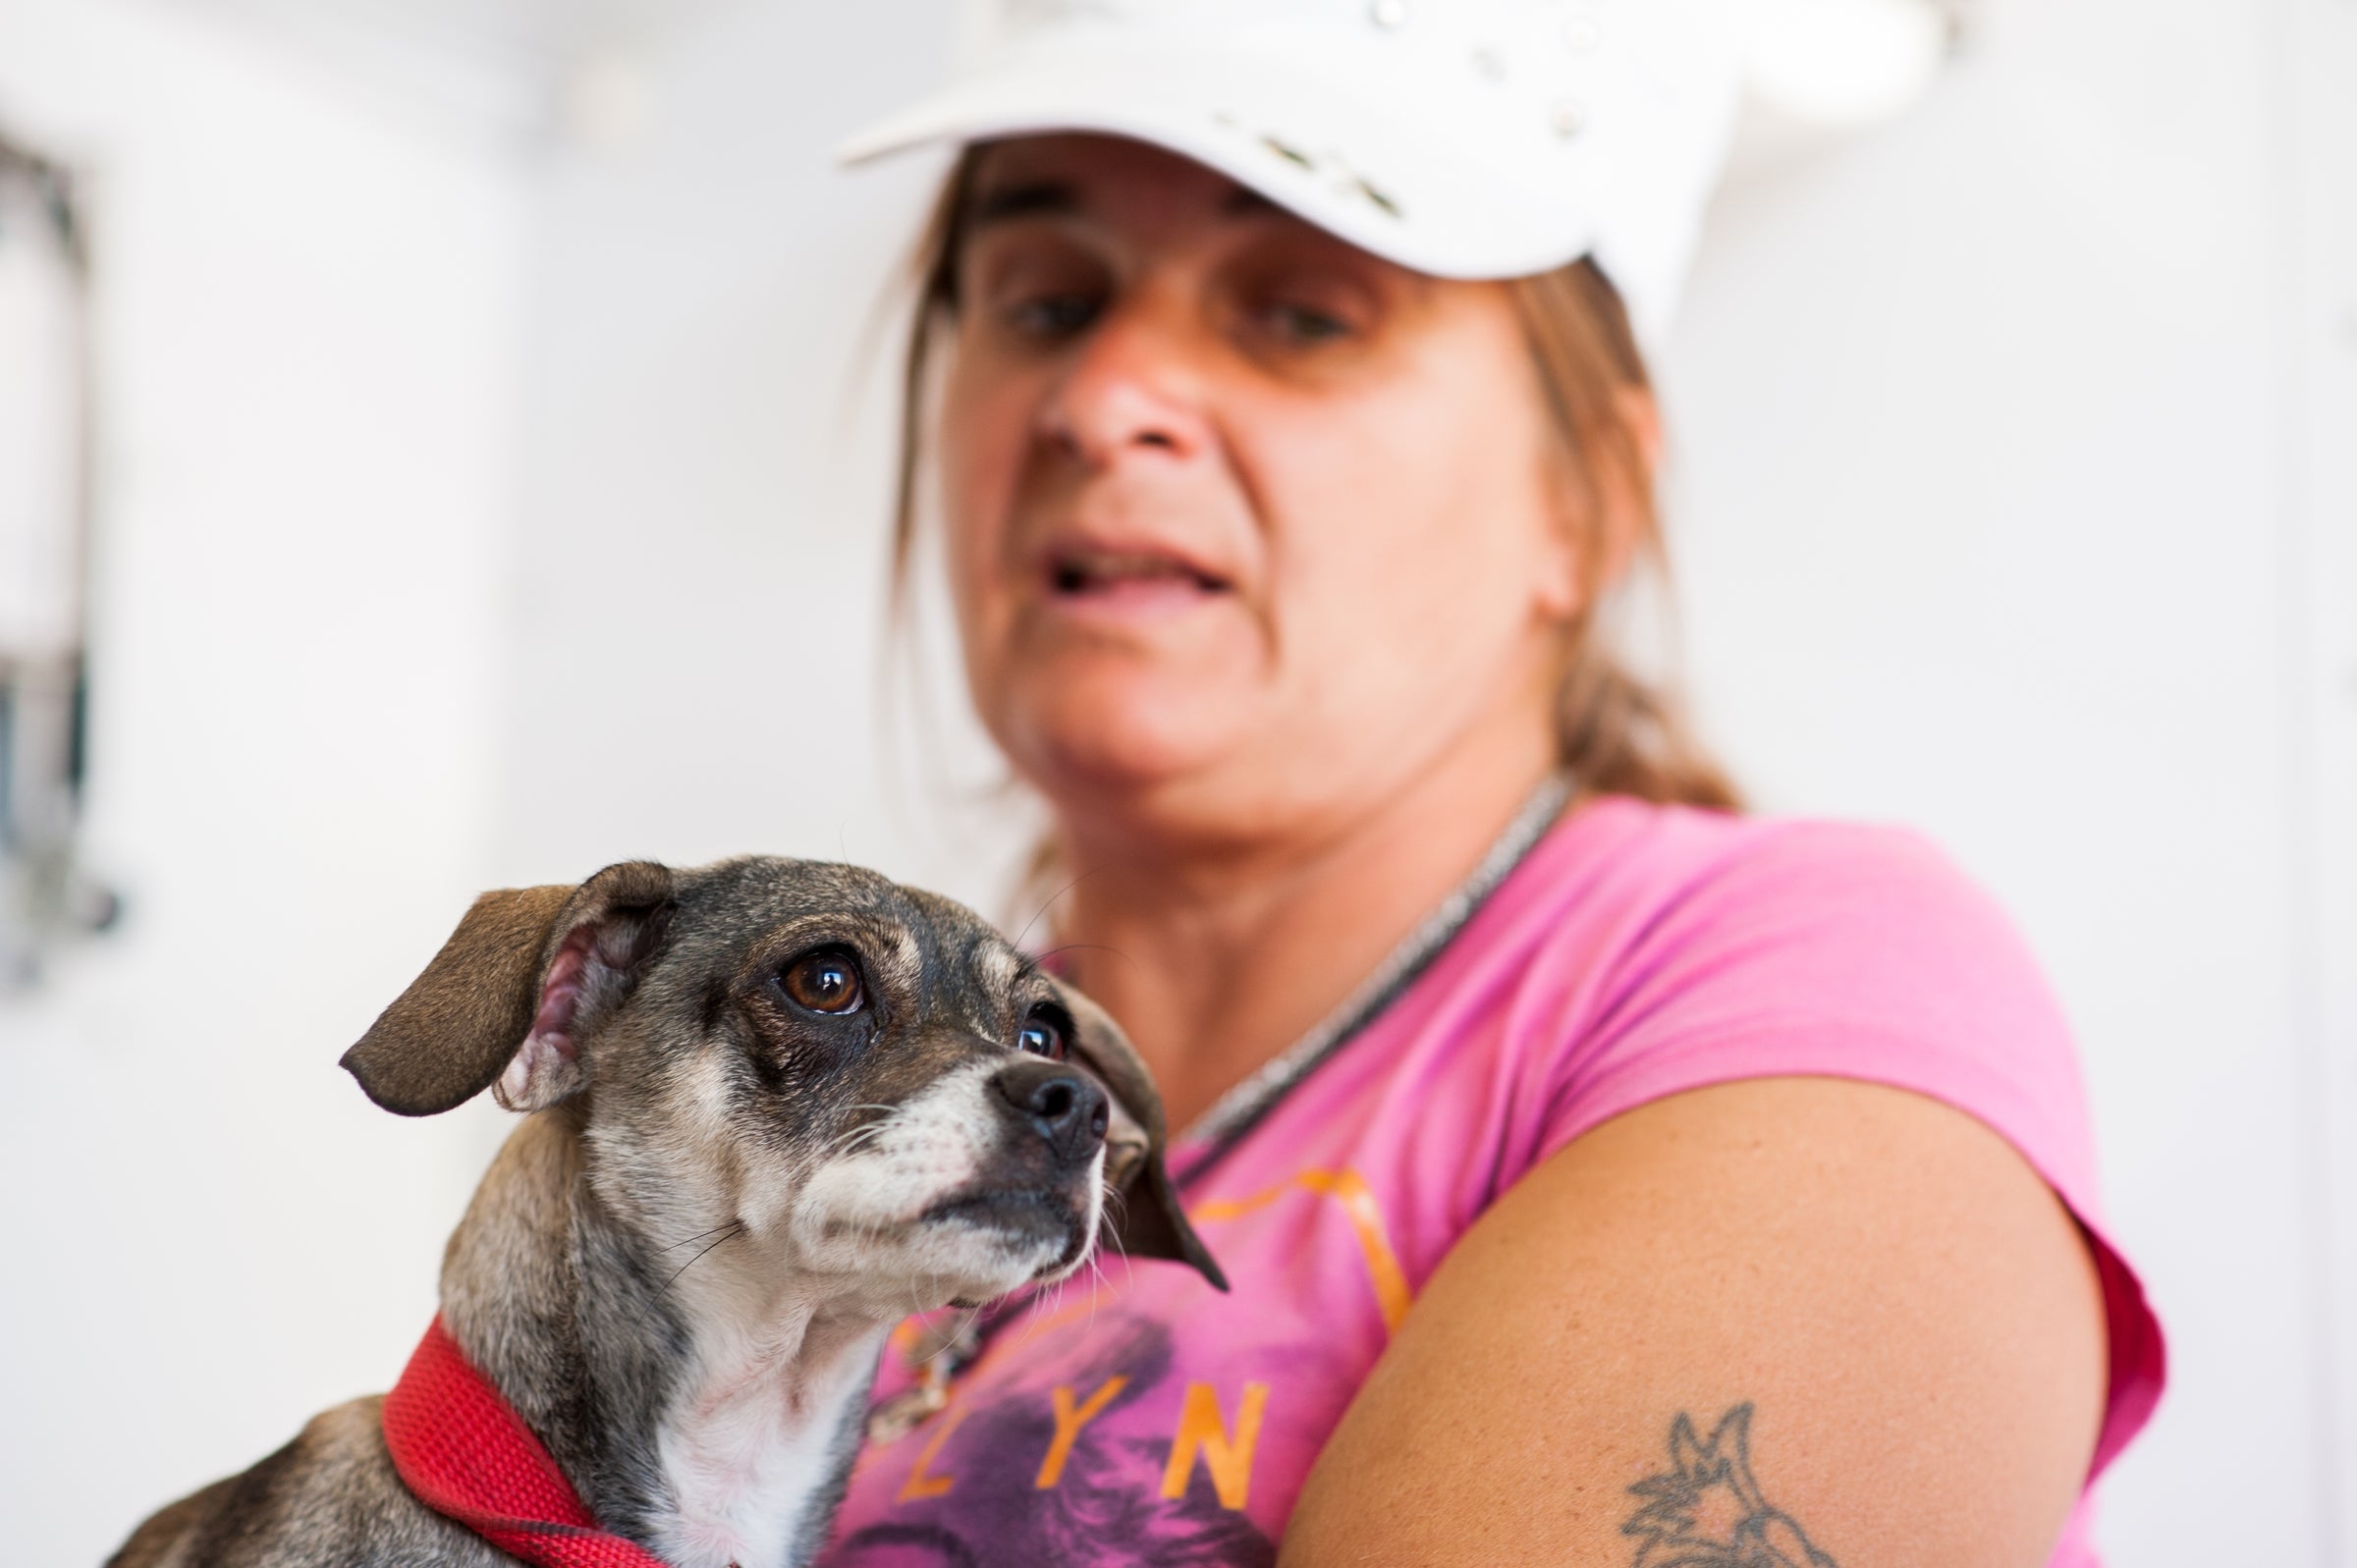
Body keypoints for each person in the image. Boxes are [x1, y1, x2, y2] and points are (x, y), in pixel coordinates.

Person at [820, 3, 2165, 1563]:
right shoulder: (853, 1082)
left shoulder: (1801, 982)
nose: (1103, 397)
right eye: (1048, 301)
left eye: (1302, 313)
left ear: (1581, 496)